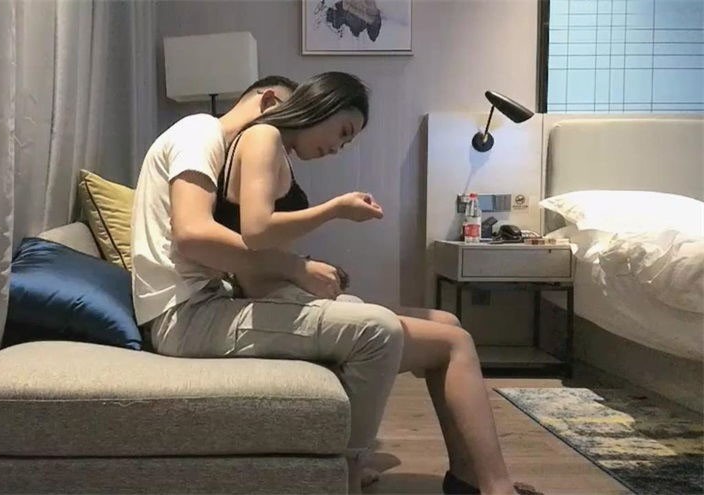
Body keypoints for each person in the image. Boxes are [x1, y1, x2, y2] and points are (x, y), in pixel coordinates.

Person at [131, 73, 541, 495]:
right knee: (404, 334)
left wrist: (298, 270)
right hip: (188, 313)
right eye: (342, 132)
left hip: (212, 301)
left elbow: (238, 249)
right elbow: (198, 235)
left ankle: (468, 478)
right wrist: (303, 256)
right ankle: (359, 474)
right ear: (273, 103)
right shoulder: (204, 132)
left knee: (447, 324)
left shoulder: (232, 150)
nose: (336, 148)